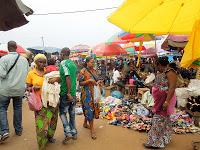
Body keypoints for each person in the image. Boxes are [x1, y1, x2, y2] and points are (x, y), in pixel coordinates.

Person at [26, 54, 58, 150]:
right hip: (39, 103)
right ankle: (41, 145)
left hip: (51, 101)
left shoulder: (48, 72)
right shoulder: (31, 73)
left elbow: (58, 80)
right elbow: (27, 87)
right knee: (40, 125)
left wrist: (56, 79)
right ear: (35, 62)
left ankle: (50, 136)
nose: (43, 64)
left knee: (53, 121)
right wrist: (32, 88)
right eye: (40, 62)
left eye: (44, 62)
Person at [144, 57, 177, 149]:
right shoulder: (163, 73)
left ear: (159, 64)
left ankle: (155, 143)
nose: (155, 67)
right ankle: (163, 139)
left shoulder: (170, 72)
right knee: (164, 121)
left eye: (156, 65)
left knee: (157, 120)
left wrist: (167, 101)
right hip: (160, 101)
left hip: (165, 101)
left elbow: (172, 88)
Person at [0, 41, 29, 142]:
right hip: (19, 89)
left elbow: (2, 74)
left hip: (5, 89)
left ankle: (4, 131)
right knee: (17, 108)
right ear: (16, 47)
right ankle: (18, 130)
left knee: (2, 108)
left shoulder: (3, 59)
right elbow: (26, 75)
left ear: (8, 48)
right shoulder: (24, 60)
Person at [59, 47, 78, 144]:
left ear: (62, 54)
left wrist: (68, 93)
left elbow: (68, 77)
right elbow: (74, 78)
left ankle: (68, 132)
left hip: (66, 93)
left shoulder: (63, 63)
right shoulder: (73, 64)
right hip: (73, 93)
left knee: (62, 113)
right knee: (72, 113)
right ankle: (74, 132)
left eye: (60, 54)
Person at [79, 57, 100, 140]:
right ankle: (92, 130)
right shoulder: (83, 71)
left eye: (93, 62)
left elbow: (97, 80)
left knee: (90, 109)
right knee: (90, 110)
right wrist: (89, 81)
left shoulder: (94, 71)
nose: (93, 64)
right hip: (86, 94)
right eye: (91, 62)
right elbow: (80, 83)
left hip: (94, 93)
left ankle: (85, 123)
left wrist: (98, 82)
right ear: (87, 62)